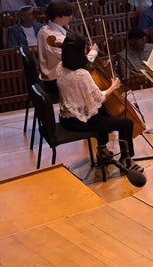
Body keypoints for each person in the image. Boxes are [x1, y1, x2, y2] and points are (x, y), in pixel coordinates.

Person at [56, 32, 145, 183]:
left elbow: (86, 62)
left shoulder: (61, 67)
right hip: (80, 121)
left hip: (66, 117)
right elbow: (99, 98)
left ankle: (102, 150)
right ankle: (127, 160)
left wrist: (93, 52)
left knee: (104, 112)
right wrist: (113, 86)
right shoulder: (81, 75)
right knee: (125, 123)